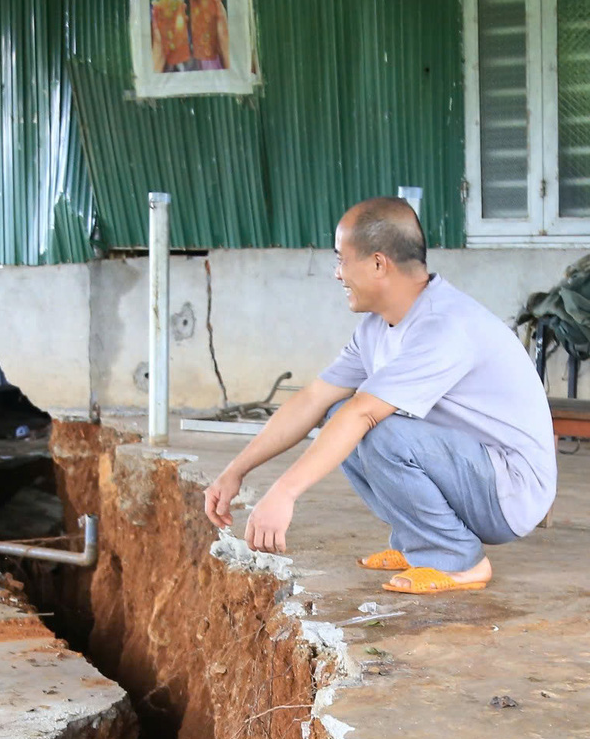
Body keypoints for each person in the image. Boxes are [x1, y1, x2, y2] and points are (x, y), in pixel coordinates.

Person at [202, 197, 554, 594]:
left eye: (340, 259)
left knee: (366, 424)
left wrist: (284, 493)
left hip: (511, 493)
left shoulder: (444, 325)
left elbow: (363, 415)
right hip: (473, 473)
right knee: (340, 411)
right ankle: (418, 543)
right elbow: (314, 398)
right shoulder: (376, 327)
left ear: (377, 263)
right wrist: (236, 470)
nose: (336, 274)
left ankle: (456, 559)